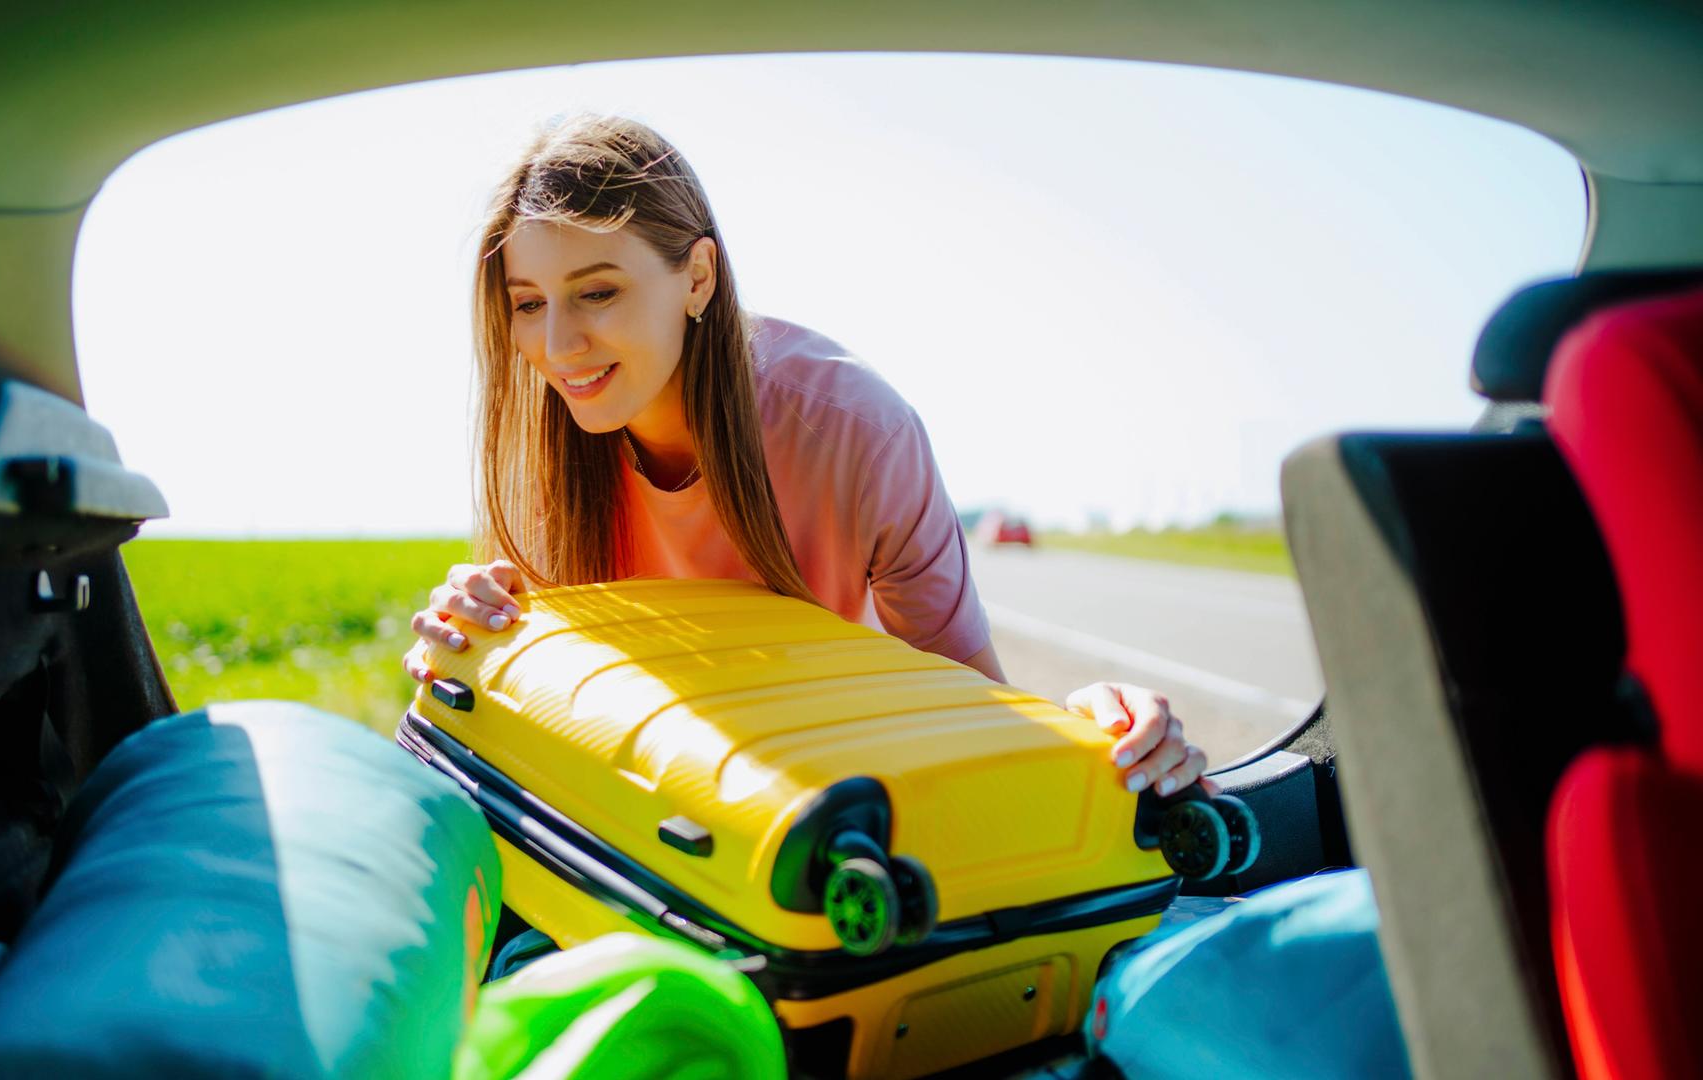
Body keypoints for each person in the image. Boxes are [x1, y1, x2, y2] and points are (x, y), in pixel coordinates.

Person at [402, 112, 1212, 804]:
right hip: (638, 816)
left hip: (799, 808)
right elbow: (535, 717)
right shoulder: (548, 432)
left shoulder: (860, 432)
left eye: (599, 291)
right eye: (528, 305)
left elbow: (968, 701)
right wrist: (472, 641)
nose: (556, 344)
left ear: (697, 277)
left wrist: (1098, 731)